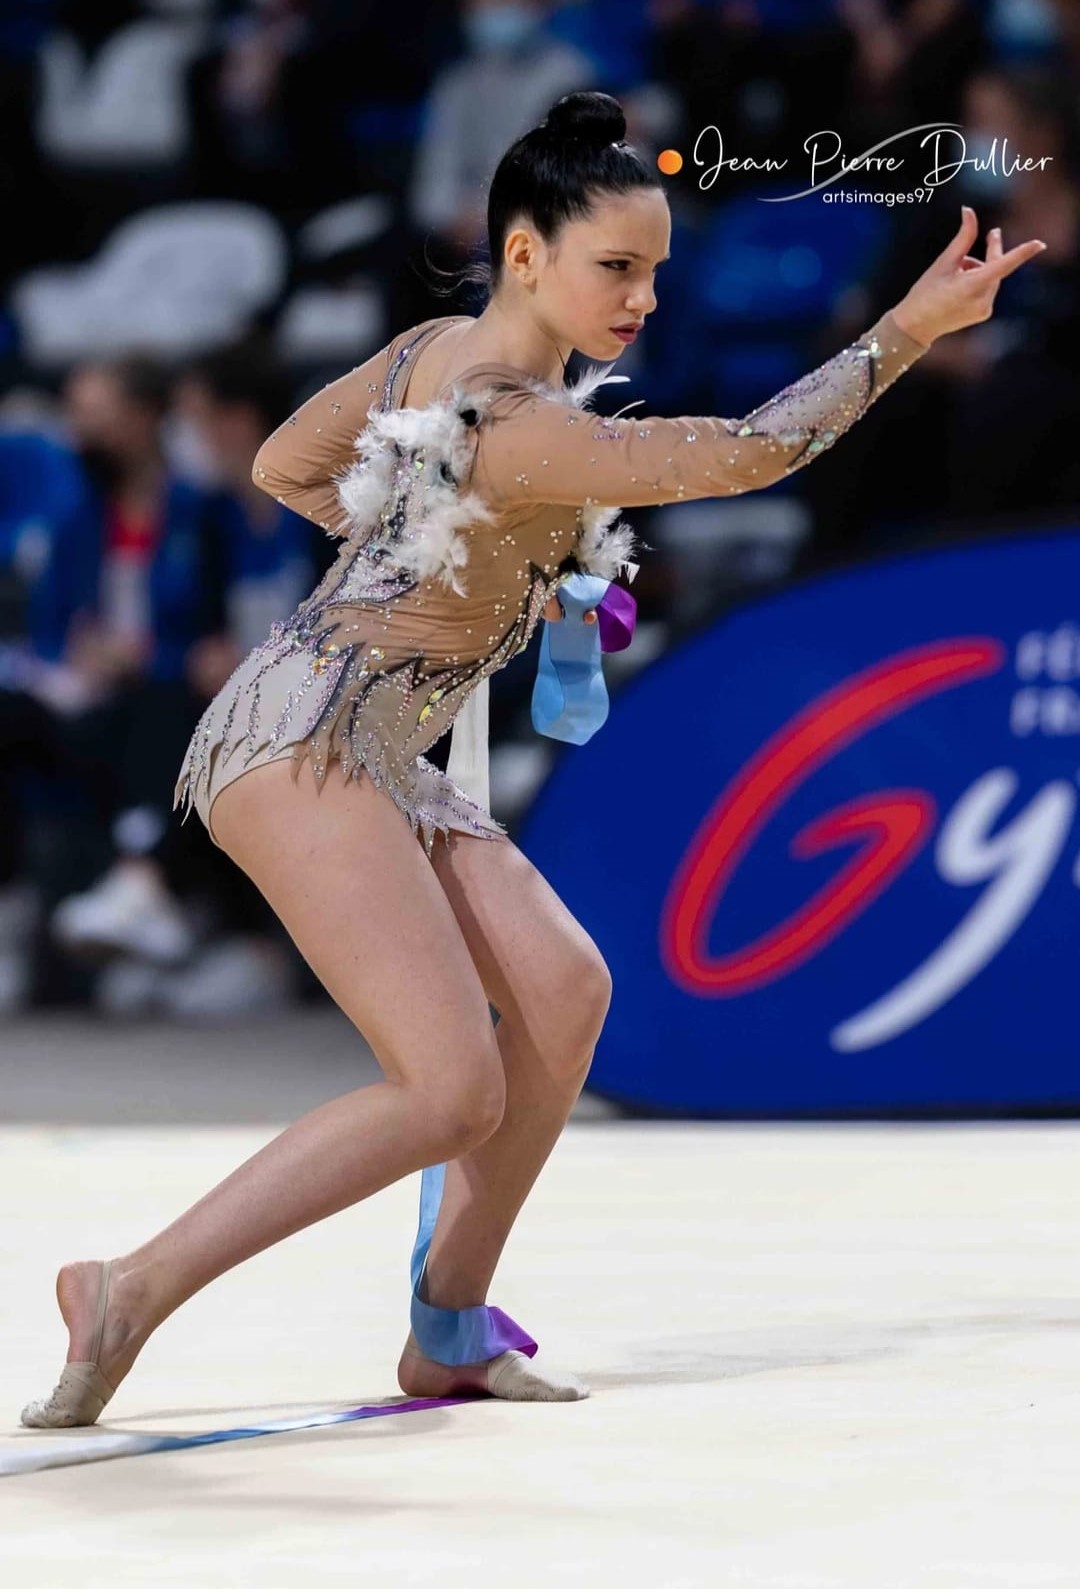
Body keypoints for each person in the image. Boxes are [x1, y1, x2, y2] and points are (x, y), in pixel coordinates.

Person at [21, 89, 1046, 1428]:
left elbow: (284, 463)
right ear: (525, 253)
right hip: (303, 735)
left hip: (372, 736)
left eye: (656, 270)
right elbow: (753, 451)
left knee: (560, 991)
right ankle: (127, 1288)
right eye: (615, 267)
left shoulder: (430, 352)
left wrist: (429, 547)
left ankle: (448, 1324)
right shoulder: (517, 422)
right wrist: (904, 331)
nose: (643, 299)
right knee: (450, 1090)